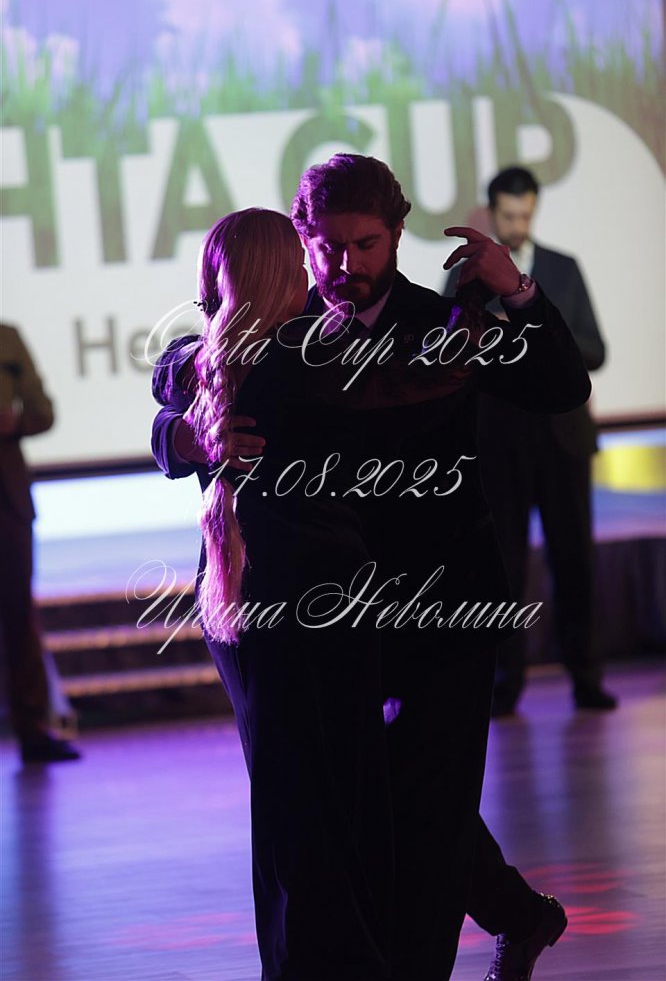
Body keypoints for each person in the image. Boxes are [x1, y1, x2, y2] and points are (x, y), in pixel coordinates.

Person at [152, 157, 589, 980]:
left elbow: (561, 385)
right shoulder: (279, 322)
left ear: (395, 236)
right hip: (321, 613)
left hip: (439, 606)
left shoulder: (445, 324)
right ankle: (518, 914)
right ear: (301, 242)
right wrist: (183, 435)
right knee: (358, 802)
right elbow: (185, 377)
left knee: (427, 807)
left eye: (365, 244)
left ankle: (467, 941)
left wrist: (517, 290)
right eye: (327, 246)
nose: (345, 263)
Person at [444, 165, 617, 717]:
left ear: (534, 210)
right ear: (492, 211)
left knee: (575, 561)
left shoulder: (562, 268)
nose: (517, 225)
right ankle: (504, 684)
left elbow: (594, 349)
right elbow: (450, 350)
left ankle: (586, 677)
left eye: (525, 215)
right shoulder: (468, 273)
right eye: (508, 215)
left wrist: (531, 320)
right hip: (499, 441)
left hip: (563, 439)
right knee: (502, 568)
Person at [0, 324, 80, 763]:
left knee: (19, 615)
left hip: (7, 499)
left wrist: (15, 422)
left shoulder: (7, 339)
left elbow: (44, 412)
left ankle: (33, 730)